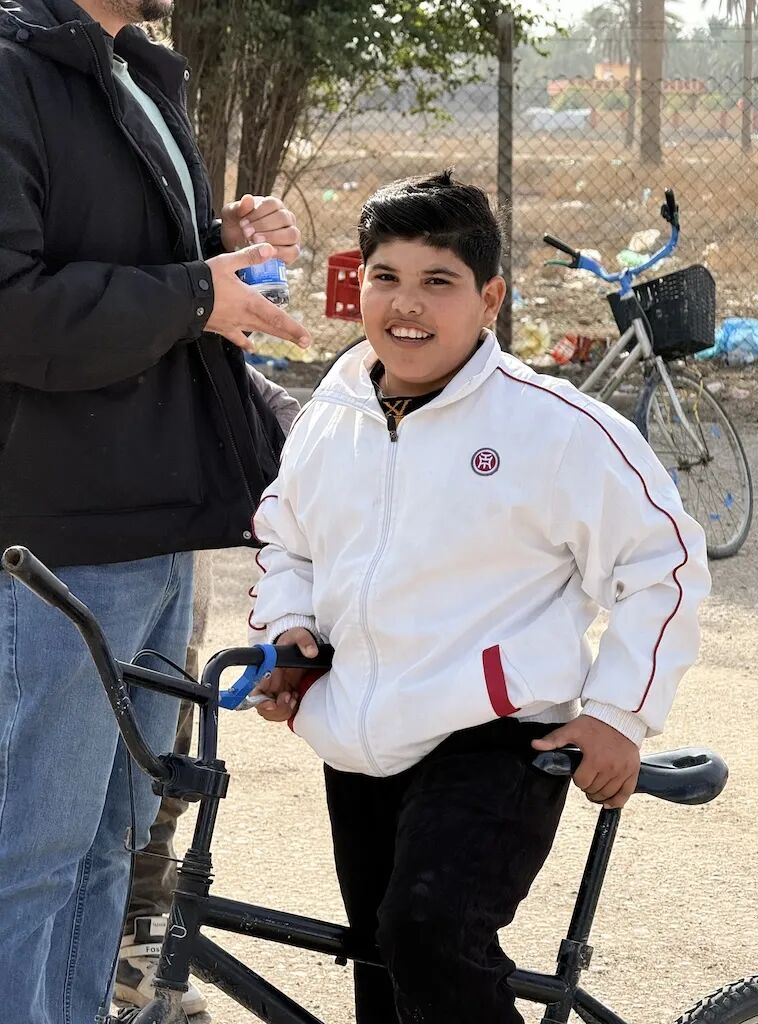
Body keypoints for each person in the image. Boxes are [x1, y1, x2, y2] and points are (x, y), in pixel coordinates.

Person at [247, 171, 711, 1024]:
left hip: (495, 738)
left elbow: (665, 562)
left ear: (489, 298)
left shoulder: (554, 428)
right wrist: (291, 631)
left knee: (428, 934)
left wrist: (619, 713)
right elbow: (288, 541)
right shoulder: (331, 416)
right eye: (386, 277)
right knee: (385, 971)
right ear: (358, 283)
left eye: (439, 281)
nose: (406, 304)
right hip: (359, 742)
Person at [0, 0, 309, 1020]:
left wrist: (215, 247)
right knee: (29, 858)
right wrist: (194, 293)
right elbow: (13, 310)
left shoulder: (131, 68)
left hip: (156, 532)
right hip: (58, 547)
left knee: (109, 849)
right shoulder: (12, 71)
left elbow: (125, 263)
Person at [116, 370, 300, 1017]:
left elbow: (283, 421)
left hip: (167, 618)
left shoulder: (188, 340)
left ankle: (138, 936)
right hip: (46, 601)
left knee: (158, 785)